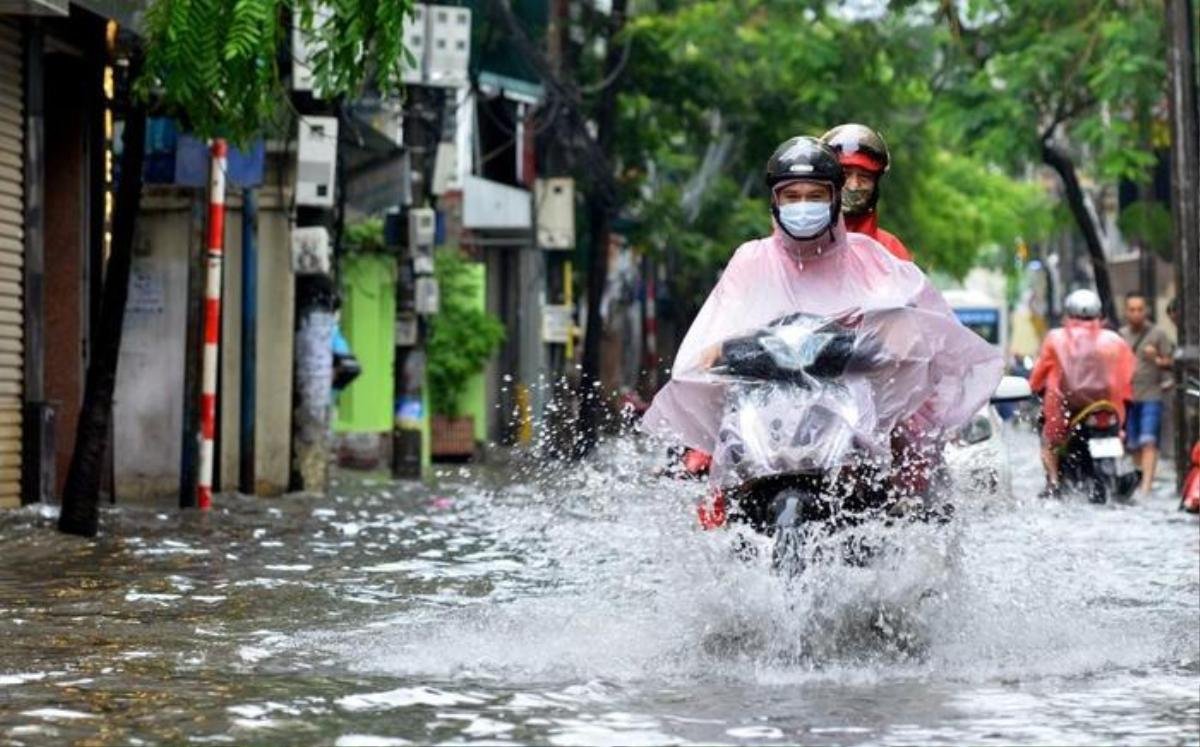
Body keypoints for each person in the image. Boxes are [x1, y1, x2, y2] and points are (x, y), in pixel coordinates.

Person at [642, 136, 1003, 525]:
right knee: (719, 504)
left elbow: (913, 332)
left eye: (813, 195)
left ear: (834, 198)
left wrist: (880, 347)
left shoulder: (872, 258)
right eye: (791, 196)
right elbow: (711, 342)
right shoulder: (750, 260)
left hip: (851, 423)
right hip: (766, 421)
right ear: (774, 203)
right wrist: (729, 353)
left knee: (899, 495)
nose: (802, 206)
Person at [1029, 289, 1136, 498]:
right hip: (1105, 408)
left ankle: (1053, 483)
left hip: (1066, 408)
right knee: (1121, 434)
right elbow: (1127, 375)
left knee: (1049, 442)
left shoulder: (1055, 338)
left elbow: (1039, 374)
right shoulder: (1113, 341)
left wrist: (1033, 387)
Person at [820, 123, 912, 261]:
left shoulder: (890, 250)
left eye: (864, 177)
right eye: (845, 174)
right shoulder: (799, 242)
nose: (853, 186)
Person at [1119, 291, 1176, 496]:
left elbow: (1173, 362)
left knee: (1149, 440)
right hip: (1128, 397)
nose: (1136, 313)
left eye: (1140, 309)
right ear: (1126, 312)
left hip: (1152, 395)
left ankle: (1146, 487)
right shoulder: (1121, 336)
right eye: (1132, 309)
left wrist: (1158, 360)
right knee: (1133, 444)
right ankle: (1140, 477)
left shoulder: (1158, 334)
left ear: (1147, 311)